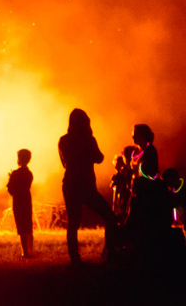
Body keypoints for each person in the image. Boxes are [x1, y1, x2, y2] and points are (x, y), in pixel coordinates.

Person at [58, 109, 118, 264]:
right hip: (87, 186)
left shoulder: (63, 140)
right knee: (110, 217)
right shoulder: (89, 140)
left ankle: (74, 256)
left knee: (73, 223)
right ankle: (110, 252)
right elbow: (99, 158)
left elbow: (65, 164)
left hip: (70, 184)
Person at [6, 149, 34, 257]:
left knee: (21, 227)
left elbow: (10, 189)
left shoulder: (16, 173)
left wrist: (11, 178)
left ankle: (25, 252)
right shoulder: (29, 173)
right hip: (26, 200)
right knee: (28, 225)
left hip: (18, 201)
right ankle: (30, 250)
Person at [110, 147, 135, 221]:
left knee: (124, 212)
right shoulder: (125, 170)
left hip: (125, 196)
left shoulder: (126, 170)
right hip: (124, 196)